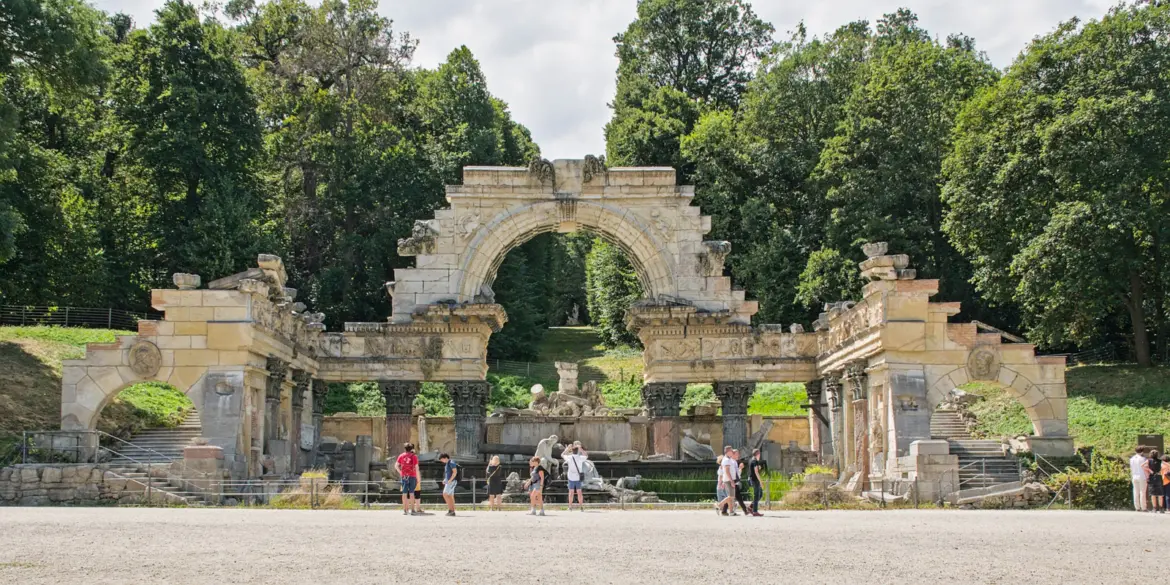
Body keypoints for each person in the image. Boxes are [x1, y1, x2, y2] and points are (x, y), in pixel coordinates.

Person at [395, 442, 421, 516]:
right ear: (411, 449)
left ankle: (405, 510)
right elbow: (416, 468)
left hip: (404, 477)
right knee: (412, 493)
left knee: (404, 493)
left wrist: (401, 473)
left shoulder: (401, 456)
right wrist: (418, 478)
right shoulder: (414, 456)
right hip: (412, 476)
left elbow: (396, 466)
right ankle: (412, 510)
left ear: (405, 449)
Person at [562, 442, 589, 511]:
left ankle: (570, 507)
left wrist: (567, 449)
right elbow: (586, 455)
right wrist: (581, 448)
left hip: (571, 477)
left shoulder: (569, 457)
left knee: (571, 492)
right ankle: (581, 507)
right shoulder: (580, 458)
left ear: (572, 451)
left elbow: (562, 454)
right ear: (578, 451)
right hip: (578, 478)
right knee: (579, 492)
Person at [717, 446, 737, 516]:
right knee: (731, 496)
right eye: (731, 451)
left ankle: (731, 511)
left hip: (728, 480)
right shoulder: (726, 460)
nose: (732, 452)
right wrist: (731, 481)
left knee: (731, 496)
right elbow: (727, 471)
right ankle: (719, 505)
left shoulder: (728, 459)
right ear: (728, 452)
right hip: (728, 480)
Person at [732, 449, 752, 516]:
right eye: (737, 454)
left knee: (737, 497)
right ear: (733, 454)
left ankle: (745, 510)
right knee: (733, 497)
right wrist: (740, 468)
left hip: (735, 482)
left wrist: (740, 469)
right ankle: (721, 507)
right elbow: (736, 474)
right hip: (733, 482)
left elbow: (737, 474)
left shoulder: (734, 462)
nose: (739, 455)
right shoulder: (733, 462)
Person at [1131, 446, 1150, 512]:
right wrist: (1148, 476)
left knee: (1135, 492)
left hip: (1134, 476)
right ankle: (1144, 507)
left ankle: (1137, 507)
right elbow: (1145, 468)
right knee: (1142, 492)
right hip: (1142, 476)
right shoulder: (1143, 459)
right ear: (1142, 451)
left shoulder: (1132, 458)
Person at [748, 448, 766, 516]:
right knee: (757, 495)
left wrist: (758, 467)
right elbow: (756, 472)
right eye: (759, 454)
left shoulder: (752, 460)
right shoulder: (754, 461)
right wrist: (761, 481)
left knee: (760, 494)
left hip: (753, 479)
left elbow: (753, 469)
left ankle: (750, 507)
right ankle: (755, 511)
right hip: (755, 480)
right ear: (758, 454)